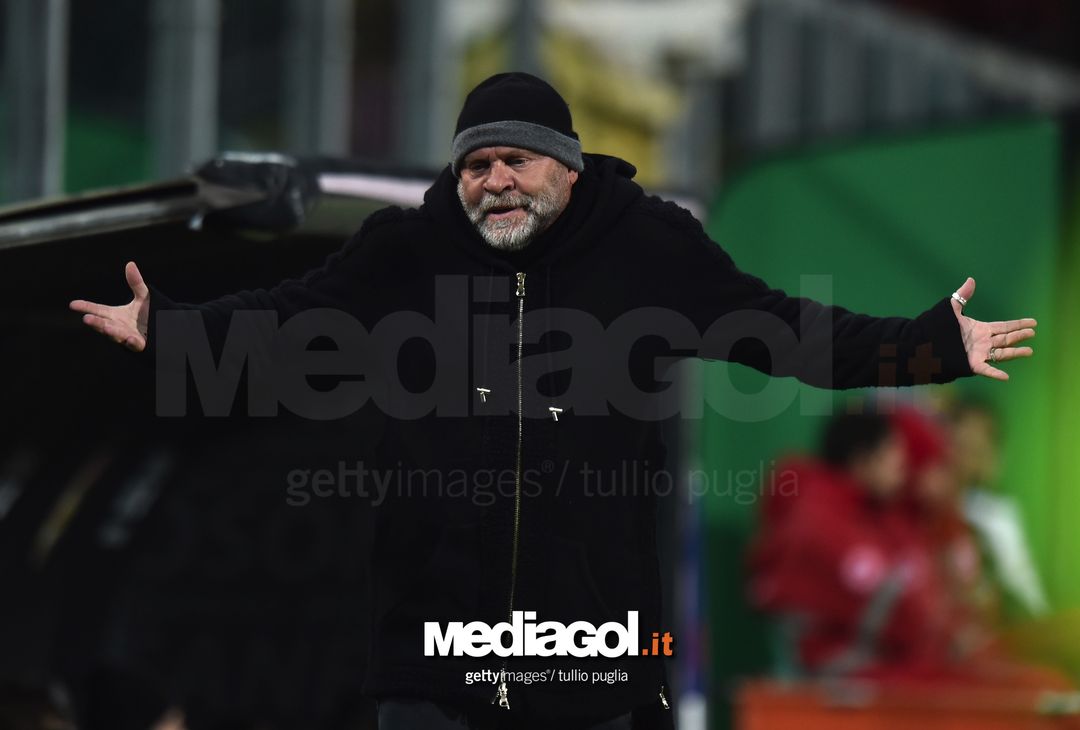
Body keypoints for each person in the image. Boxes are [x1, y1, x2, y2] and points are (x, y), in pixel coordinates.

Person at [69, 72, 1038, 729]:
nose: (493, 180)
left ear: (566, 168)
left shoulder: (652, 248)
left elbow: (787, 331)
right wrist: (171, 329)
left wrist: (932, 346)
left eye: (515, 161)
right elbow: (290, 319)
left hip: (594, 659)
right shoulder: (406, 250)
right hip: (433, 654)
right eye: (476, 165)